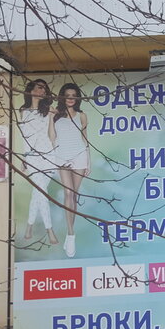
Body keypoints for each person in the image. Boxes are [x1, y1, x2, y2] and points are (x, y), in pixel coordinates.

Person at [49, 83, 90, 258]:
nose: (71, 98)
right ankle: (71, 234)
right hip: (62, 156)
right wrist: (50, 118)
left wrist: (89, 162)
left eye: (74, 95)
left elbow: (86, 139)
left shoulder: (82, 116)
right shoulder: (56, 116)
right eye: (67, 95)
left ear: (77, 98)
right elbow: (52, 138)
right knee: (68, 192)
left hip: (80, 155)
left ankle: (69, 233)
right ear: (62, 97)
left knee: (74, 195)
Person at [17, 79, 57, 245]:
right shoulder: (23, 111)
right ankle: (50, 230)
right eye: (40, 88)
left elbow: (51, 137)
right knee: (41, 191)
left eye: (44, 89)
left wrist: (52, 118)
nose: (43, 91)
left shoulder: (47, 111)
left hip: (48, 156)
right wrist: (24, 158)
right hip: (32, 157)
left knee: (38, 192)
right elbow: (24, 137)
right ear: (31, 90)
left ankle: (29, 227)